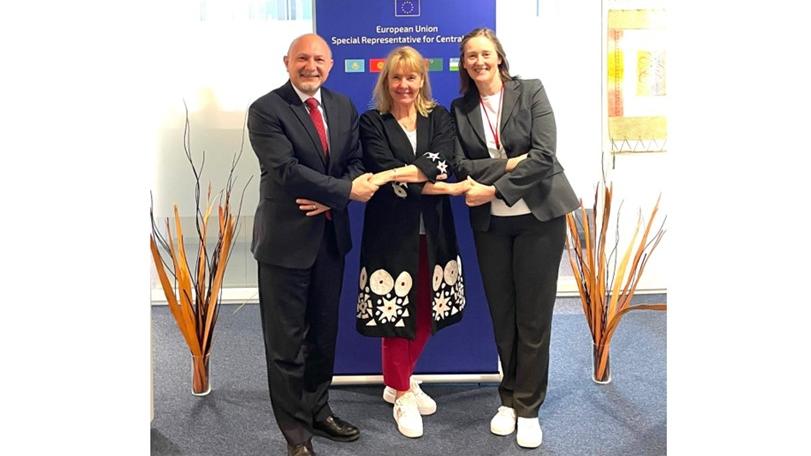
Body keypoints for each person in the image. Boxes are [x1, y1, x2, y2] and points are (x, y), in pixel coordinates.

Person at [247, 33, 379, 456]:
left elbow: (356, 162)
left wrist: (334, 196)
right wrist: (343, 192)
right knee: (286, 344)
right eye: (302, 58)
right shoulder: (266, 109)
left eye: (319, 59)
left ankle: (318, 410)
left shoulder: (342, 106)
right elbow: (285, 171)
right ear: (286, 61)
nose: (311, 66)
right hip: (285, 244)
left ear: (331, 64)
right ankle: (295, 434)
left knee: (323, 336)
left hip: (329, 239)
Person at [450, 28, 579, 449]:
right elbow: (460, 165)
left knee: (533, 318)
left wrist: (493, 187)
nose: (479, 61)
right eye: (471, 55)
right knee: (503, 316)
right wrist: (509, 164)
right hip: (492, 227)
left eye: (485, 54)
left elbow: (543, 157)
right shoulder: (460, 108)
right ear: (464, 64)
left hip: (539, 219)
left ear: (499, 57)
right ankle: (507, 398)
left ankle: (528, 407)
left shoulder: (531, 92)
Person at [354, 46, 470, 439]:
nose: (404, 85)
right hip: (389, 233)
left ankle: (398, 379)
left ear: (422, 80)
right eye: (397, 77)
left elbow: (445, 161)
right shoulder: (372, 121)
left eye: (412, 77)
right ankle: (402, 391)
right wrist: (440, 186)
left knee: (425, 310)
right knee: (394, 313)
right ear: (386, 81)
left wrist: (395, 176)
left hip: (434, 231)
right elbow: (381, 166)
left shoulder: (439, 116)